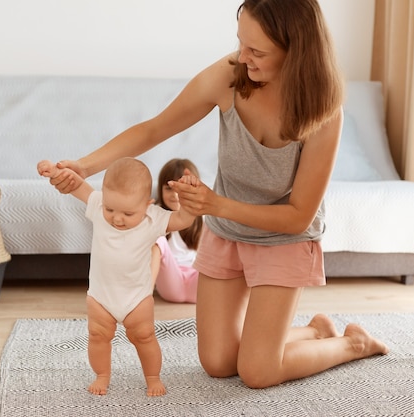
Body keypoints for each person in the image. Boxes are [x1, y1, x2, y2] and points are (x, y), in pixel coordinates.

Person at [47, 0, 389, 389]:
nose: (242, 58)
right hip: (228, 233)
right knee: (218, 362)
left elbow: (298, 216)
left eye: (257, 51)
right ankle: (313, 331)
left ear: (297, 51)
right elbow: (154, 129)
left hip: (284, 238)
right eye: (241, 42)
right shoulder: (231, 75)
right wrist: (86, 167)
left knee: (258, 372)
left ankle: (351, 343)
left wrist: (215, 204)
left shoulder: (324, 111)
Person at [37, 157, 198, 396]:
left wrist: (189, 196)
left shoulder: (154, 219)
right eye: (110, 209)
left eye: (128, 212)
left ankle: (152, 377)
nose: (117, 218)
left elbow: (184, 219)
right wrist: (54, 173)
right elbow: (78, 186)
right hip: (101, 297)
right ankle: (102, 374)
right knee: (97, 336)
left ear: (148, 204)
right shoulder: (99, 207)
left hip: (137, 298)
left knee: (144, 337)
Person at [151, 158, 203, 303]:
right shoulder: (157, 215)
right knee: (158, 239)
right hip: (171, 284)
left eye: (181, 189)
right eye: (169, 188)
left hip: (197, 283)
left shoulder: (202, 219)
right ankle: (143, 298)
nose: (175, 195)